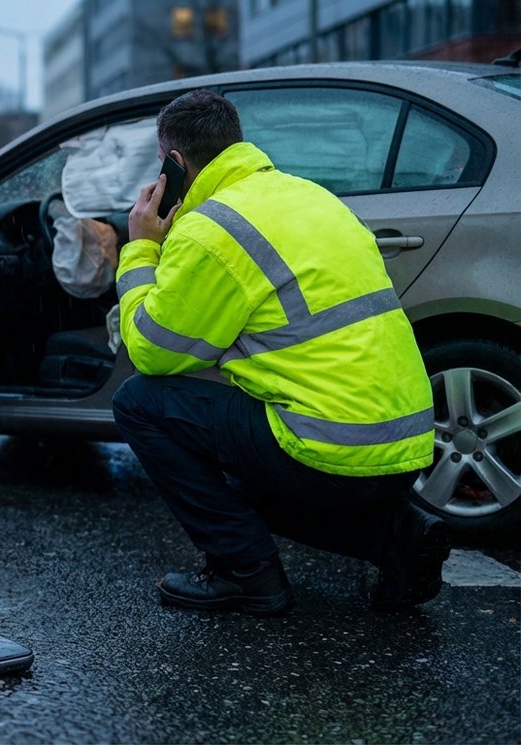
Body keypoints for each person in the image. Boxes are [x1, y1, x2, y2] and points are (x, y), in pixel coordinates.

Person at [110, 90, 449, 615]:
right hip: (406, 446)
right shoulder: (310, 195)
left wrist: (141, 246)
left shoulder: (210, 230)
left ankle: (246, 574)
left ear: (174, 163)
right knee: (244, 463)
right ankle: (397, 535)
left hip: (330, 448)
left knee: (141, 403)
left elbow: (153, 353)